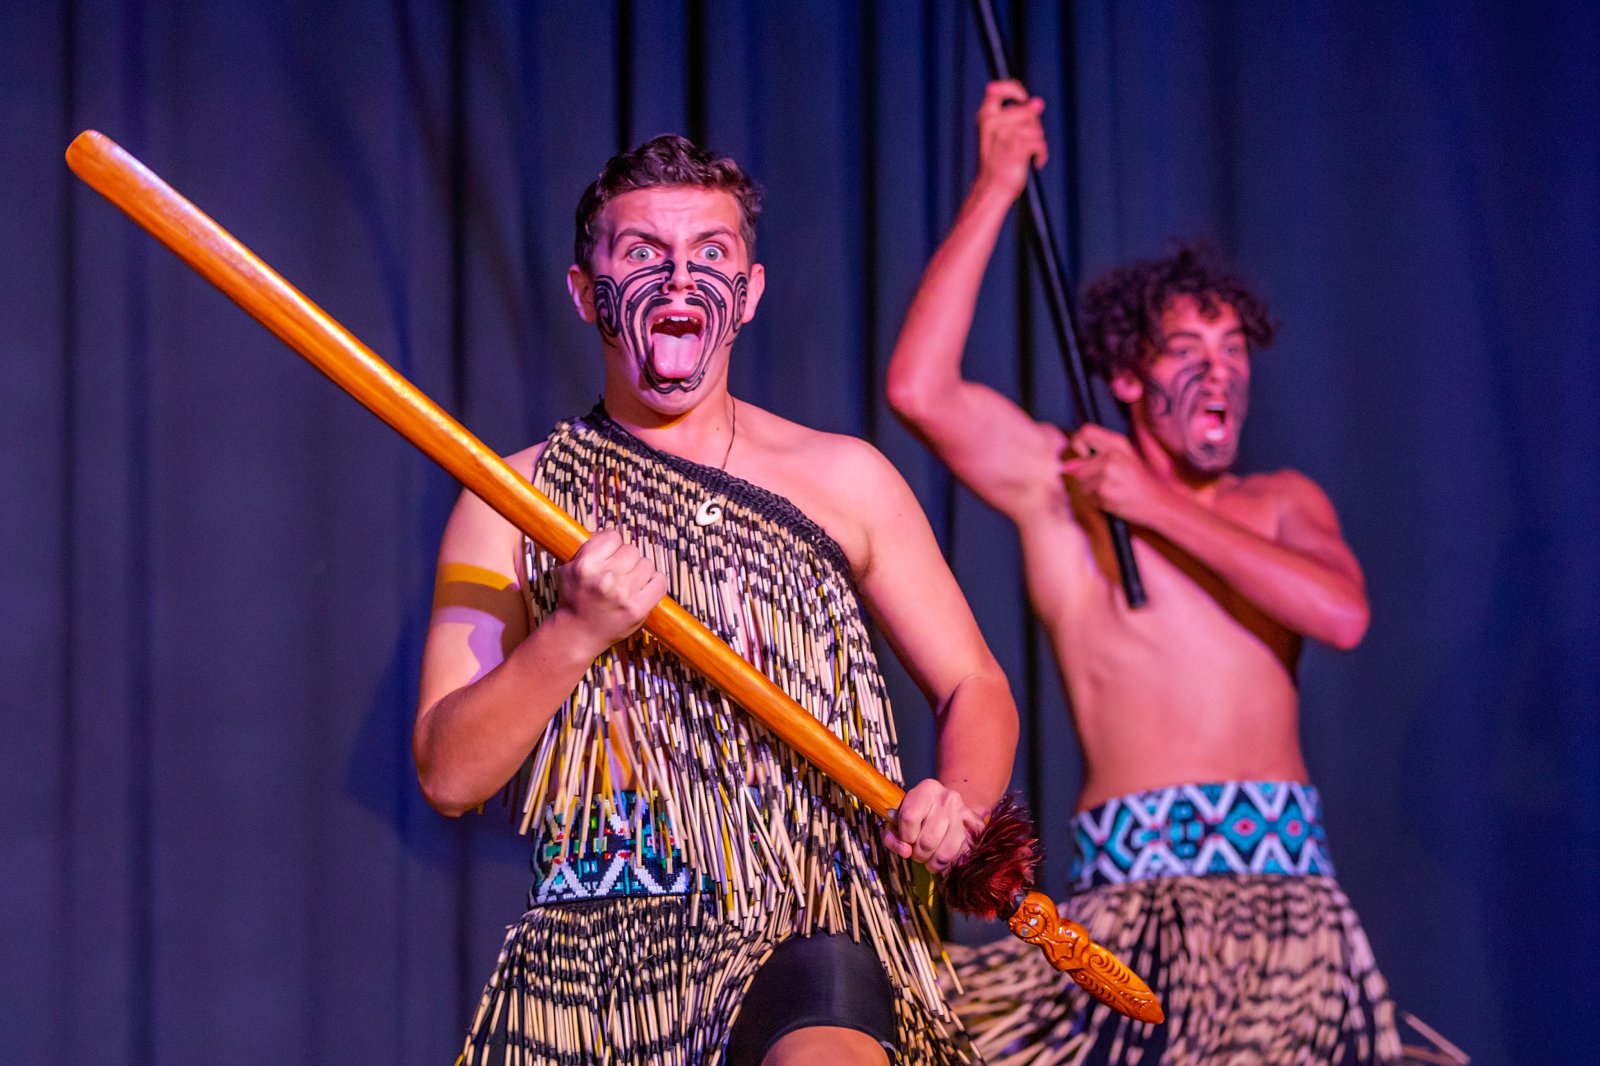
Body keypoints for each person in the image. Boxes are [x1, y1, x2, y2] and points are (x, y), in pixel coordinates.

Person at [885, 82, 1465, 1065]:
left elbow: (1340, 613)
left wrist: (1153, 507)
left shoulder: (1278, 501)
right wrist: (995, 186)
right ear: (1126, 376)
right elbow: (918, 388)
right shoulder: (1066, 488)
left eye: (1234, 350)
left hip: (1290, 914)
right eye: (1186, 349)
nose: (1219, 370)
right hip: (1128, 906)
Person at [413, 133, 1018, 1066]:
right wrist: (573, 633)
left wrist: (961, 806)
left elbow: (974, 683)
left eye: (710, 252)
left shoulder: (845, 479)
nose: (678, 277)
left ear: (750, 290)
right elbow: (449, 775)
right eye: (642, 252)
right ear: (585, 290)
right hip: (596, 949)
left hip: (812, 915)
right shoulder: (511, 499)